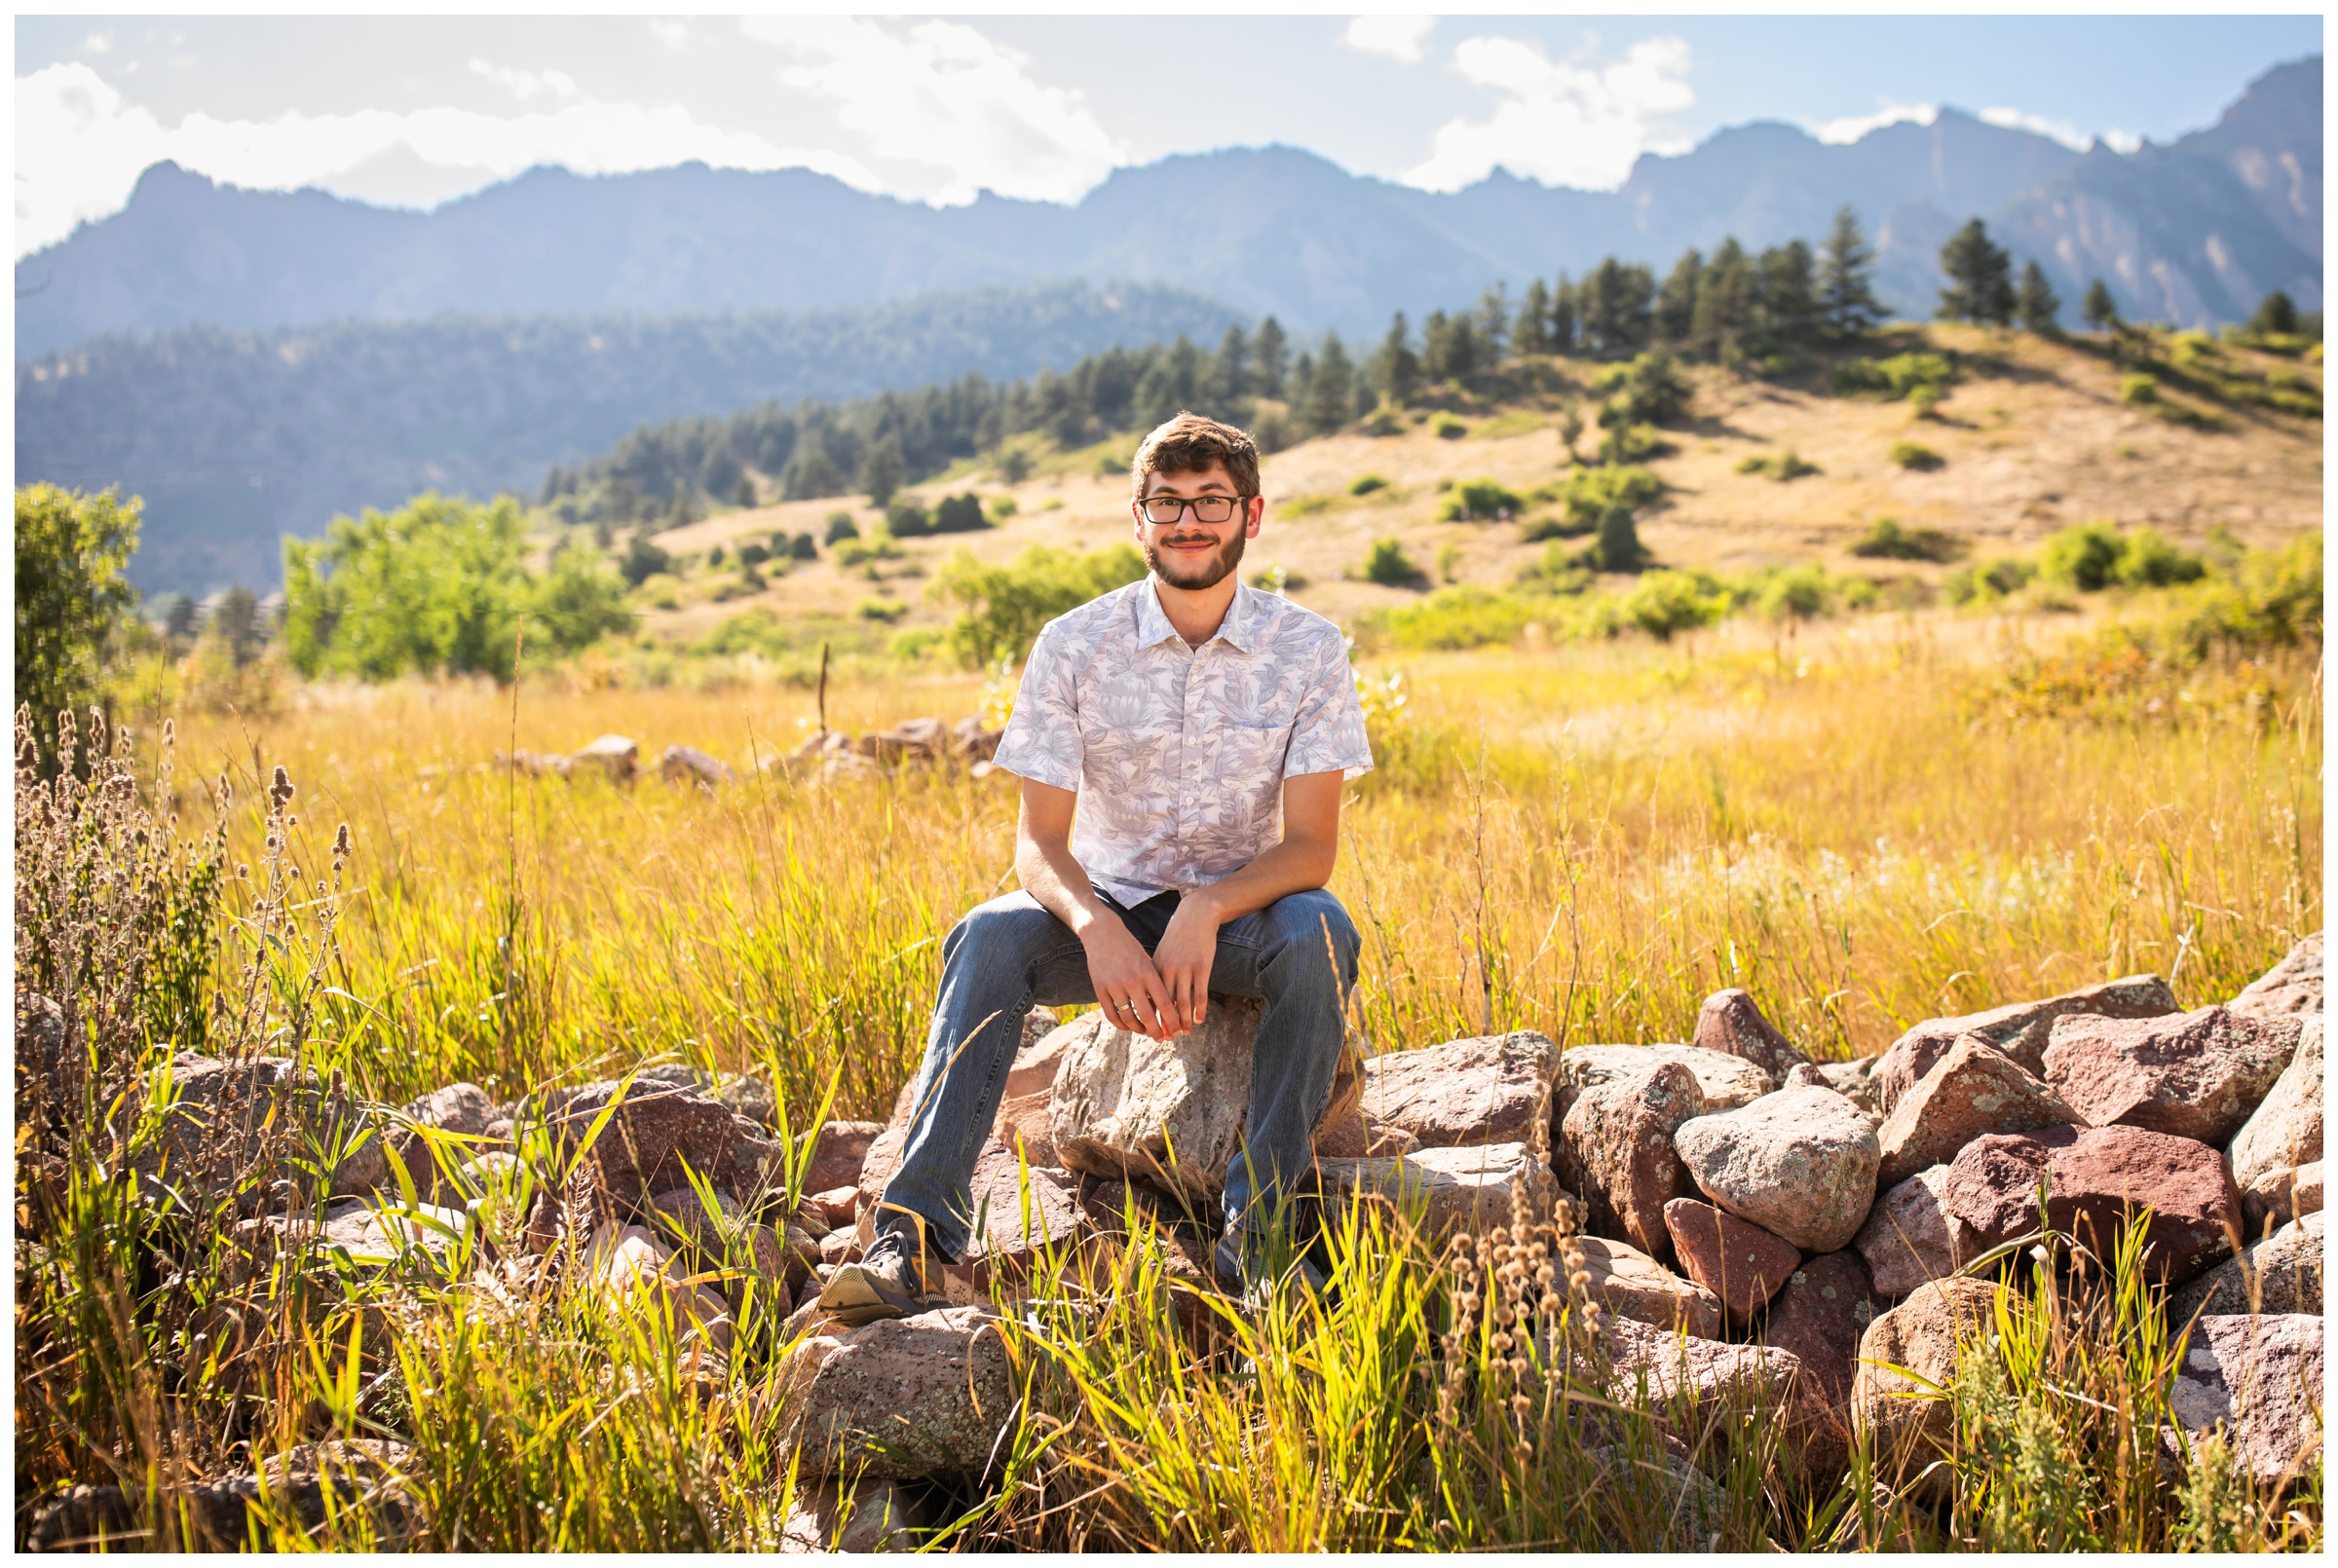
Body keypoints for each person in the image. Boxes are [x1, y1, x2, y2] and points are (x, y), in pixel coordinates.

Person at [818, 411, 1375, 1325]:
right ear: (1138, 517)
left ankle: (1266, 1237)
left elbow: (1312, 848)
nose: (1189, 523)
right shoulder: (1073, 643)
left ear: (1253, 515)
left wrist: (1207, 906)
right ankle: (911, 1241)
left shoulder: (1307, 648)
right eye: (1169, 504)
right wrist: (1098, 928)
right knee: (990, 935)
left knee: (1322, 928)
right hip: (1102, 914)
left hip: (1244, 924)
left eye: (1212, 503)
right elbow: (1038, 843)